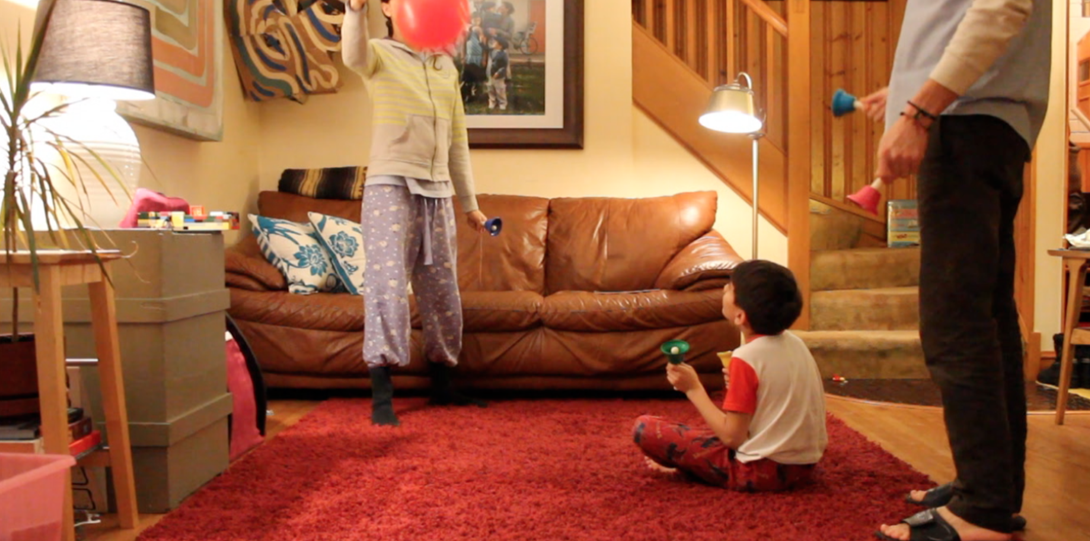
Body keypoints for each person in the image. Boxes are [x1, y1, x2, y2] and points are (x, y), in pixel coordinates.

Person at [858, 0, 1051, 539]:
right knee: (986, 317)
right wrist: (905, 95)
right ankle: (990, 489)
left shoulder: (947, 115)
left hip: (963, 122)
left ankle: (981, 508)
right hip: (981, 121)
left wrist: (920, 110)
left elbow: (1000, 9)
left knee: (954, 322)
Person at [342, 0, 489, 427]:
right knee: (388, 286)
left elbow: (457, 143)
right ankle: (382, 394)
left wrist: (471, 206)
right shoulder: (378, 55)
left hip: (438, 191)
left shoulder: (446, 67)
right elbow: (352, 57)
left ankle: (443, 386)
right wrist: (354, 12)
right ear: (388, 7)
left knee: (442, 288)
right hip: (391, 186)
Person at [631, 260, 827, 492]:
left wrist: (693, 389)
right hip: (804, 466)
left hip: (760, 471)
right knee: (699, 434)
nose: (724, 290)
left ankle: (693, 468)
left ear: (740, 316)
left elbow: (733, 438)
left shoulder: (746, 358)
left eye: (730, 288)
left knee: (646, 428)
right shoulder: (796, 343)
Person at [487, 35, 509, 111]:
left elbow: (504, 65)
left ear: (500, 45)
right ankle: (492, 101)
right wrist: (481, 41)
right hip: (491, 73)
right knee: (490, 88)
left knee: (500, 89)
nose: (493, 43)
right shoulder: (492, 51)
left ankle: (502, 102)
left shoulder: (503, 54)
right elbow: (485, 48)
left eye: (495, 42)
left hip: (498, 75)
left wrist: (498, 72)